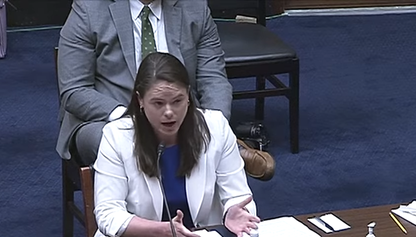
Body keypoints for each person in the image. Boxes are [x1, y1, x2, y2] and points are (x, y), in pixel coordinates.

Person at [56, 0, 275, 180]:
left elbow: (213, 77)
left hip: (178, 112)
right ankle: (228, 154)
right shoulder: (89, 8)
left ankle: (216, 150)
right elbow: (74, 90)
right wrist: (129, 119)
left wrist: (215, 123)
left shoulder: (194, 7)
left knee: (205, 131)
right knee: (120, 144)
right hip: (108, 118)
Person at [93, 52, 260, 237]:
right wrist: (164, 230)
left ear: (188, 96)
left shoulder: (216, 127)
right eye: (158, 103)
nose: (169, 112)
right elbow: (108, 214)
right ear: (140, 100)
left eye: (177, 101)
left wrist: (232, 212)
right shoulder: (116, 136)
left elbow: (238, 195)